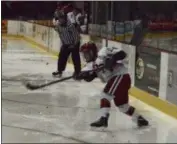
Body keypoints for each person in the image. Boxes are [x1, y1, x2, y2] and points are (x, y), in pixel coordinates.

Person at [76, 41, 149, 128]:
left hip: (120, 76)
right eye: (84, 54)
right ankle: (139, 119)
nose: (85, 56)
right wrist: (81, 76)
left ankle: (104, 118)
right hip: (119, 81)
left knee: (105, 95)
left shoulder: (103, 52)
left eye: (87, 53)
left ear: (93, 51)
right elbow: (89, 77)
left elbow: (122, 54)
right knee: (122, 106)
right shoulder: (90, 66)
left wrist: (112, 59)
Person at [52, 10, 81, 78]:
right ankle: (59, 71)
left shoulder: (70, 25)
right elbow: (60, 34)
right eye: (58, 19)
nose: (60, 20)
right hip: (66, 44)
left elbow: (76, 36)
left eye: (61, 18)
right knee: (61, 56)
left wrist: (74, 45)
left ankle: (77, 72)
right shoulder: (59, 25)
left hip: (74, 43)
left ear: (64, 18)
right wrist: (64, 43)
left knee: (75, 58)